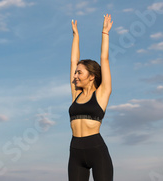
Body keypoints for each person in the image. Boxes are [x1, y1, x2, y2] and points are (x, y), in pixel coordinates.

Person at [67, 14, 113, 181]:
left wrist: (105, 33)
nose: (75, 75)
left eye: (80, 72)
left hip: (97, 151)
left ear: (92, 76)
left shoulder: (102, 93)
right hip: (75, 152)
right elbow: (73, 61)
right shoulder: (76, 94)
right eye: (75, 73)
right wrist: (76, 37)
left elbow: (104, 59)